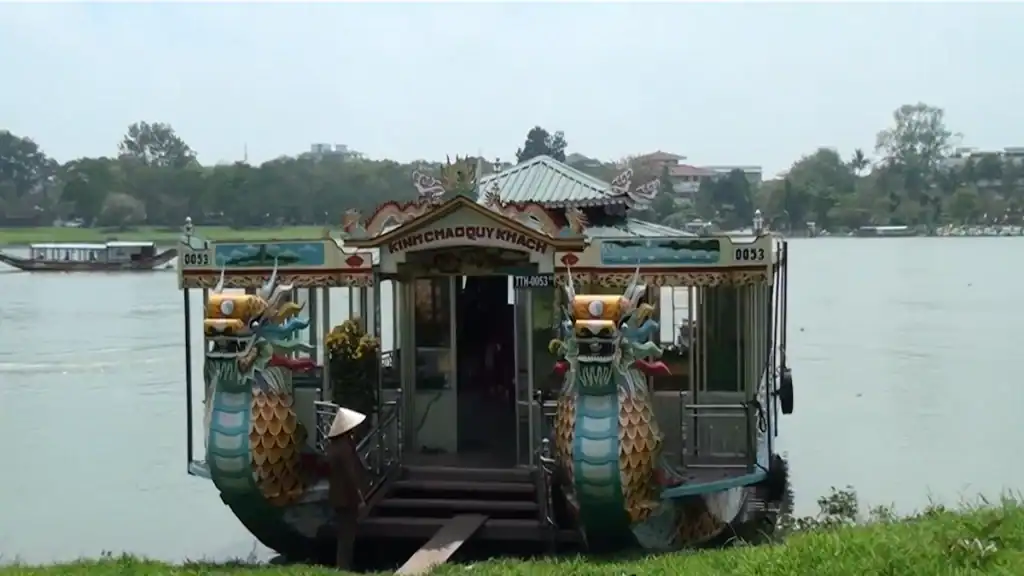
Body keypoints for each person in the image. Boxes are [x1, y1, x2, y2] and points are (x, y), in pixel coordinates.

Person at [325, 405, 367, 570]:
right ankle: (344, 567)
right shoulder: (344, 447)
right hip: (346, 497)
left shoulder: (334, 446)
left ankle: (343, 565)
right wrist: (360, 497)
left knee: (344, 534)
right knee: (347, 535)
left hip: (338, 495)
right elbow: (351, 473)